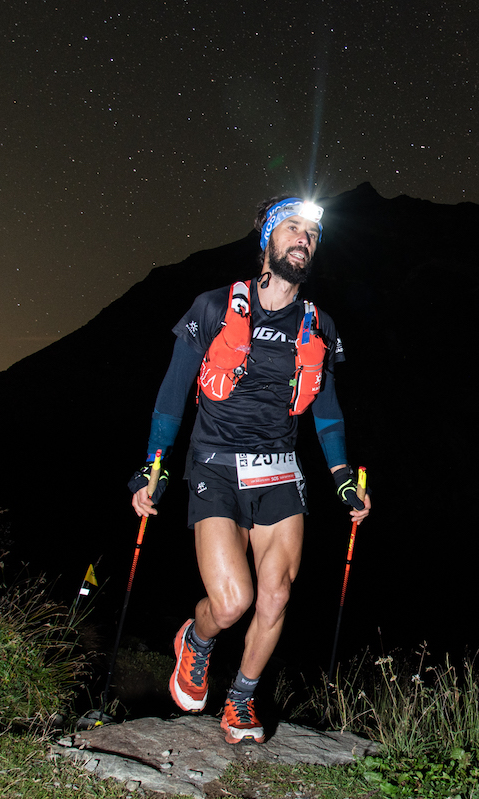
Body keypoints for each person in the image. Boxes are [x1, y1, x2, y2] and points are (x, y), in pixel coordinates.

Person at [128, 196, 371, 745]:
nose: (303, 240)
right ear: (267, 239)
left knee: (277, 596)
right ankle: (197, 638)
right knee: (232, 603)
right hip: (214, 465)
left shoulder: (319, 326)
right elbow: (171, 395)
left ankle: (240, 700)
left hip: (281, 472)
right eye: (292, 228)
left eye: (311, 234)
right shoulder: (213, 307)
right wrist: (154, 467)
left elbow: (327, 413)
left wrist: (342, 479)